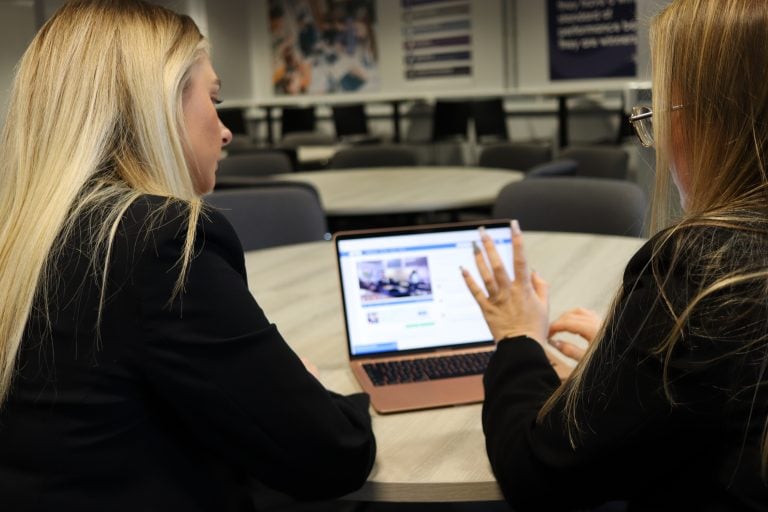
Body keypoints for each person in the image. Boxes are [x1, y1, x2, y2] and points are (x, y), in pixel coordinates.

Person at [0, 1, 375, 511]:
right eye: (213, 99)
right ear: (161, 105)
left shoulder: (28, 234)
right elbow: (330, 456)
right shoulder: (158, 243)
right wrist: (316, 386)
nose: (225, 130)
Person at [462, 1, 768, 510]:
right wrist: (637, 376)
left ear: (717, 122)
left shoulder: (701, 271)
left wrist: (518, 336)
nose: (662, 139)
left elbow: (538, 475)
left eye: (666, 110)